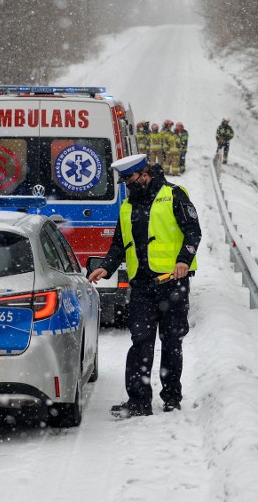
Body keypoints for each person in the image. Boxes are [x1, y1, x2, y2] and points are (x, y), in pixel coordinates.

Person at [88, 153, 201, 418]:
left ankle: (171, 397)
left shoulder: (174, 195)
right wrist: (106, 266)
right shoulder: (127, 206)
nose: (128, 185)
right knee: (140, 342)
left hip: (172, 283)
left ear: (145, 175)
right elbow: (118, 244)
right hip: (141, 286)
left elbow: (193, 230)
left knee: (172, 342)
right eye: (124, 181)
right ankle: (139, 401)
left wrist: (184, 260)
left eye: (130, 179)